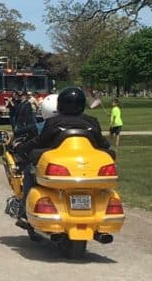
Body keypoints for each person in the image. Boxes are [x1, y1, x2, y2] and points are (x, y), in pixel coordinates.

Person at [14, 86, 114, 216]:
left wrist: (22, 147)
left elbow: (39, 142)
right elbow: (103, 144)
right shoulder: (92, 122)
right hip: (87, 168)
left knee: (29, 171)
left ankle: (25, 208)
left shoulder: (53, 122)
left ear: (60, 104)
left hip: (62, 165)